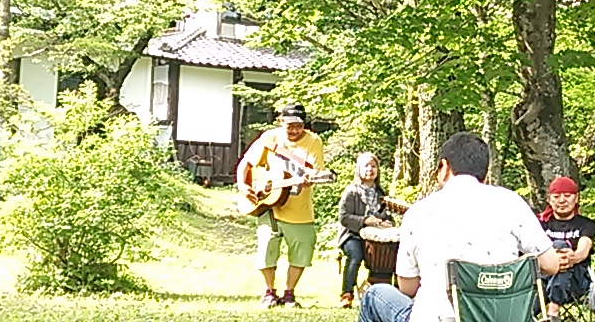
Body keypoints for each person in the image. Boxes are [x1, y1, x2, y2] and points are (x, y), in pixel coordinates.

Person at [359, 132, 560, 322]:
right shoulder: (512, 203)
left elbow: (407, 287)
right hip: (502, 317)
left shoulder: (418, 212)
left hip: (439, 318)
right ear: (484, 174)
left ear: (445, 167)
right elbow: (551, 264)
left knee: (374, 295)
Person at [235, 103, 327, 309]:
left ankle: (289, 293)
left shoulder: (313, 141)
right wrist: (243, 185)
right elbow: (246, 164)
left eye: (298, 126)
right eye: (290, 126)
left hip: (299, 207)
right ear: (280, 121)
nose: (294, 130)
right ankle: (269, 291)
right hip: (270, 205)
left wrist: (309, 179)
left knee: (303, 249)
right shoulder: (270, 138)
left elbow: (315, 170)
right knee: (267, 246)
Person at [337, 152, 394, 308]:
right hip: (351, 235)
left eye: (373, 166)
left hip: (373, 237)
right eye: (366, 166)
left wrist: (386, 222)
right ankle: (346, 294)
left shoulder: (381, 193)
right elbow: (344, 217)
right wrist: (364, 221)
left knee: (387, 255)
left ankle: (379, 290)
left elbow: (387, 215)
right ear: (359, 170)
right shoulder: (351, 192)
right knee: (355, 255)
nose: (370, 169)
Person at [537, 176, 595, 321]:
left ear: (576, 198)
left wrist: (572, 257)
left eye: (567, 196)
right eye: (556, 196)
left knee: (560, 246)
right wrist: (553, 260)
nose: (562, 200)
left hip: (576, 281)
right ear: (549, 199)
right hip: (543, 278)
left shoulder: (586, 224)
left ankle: (553, 309)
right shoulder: (540, 224)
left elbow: (584, 249)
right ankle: (549, 312)